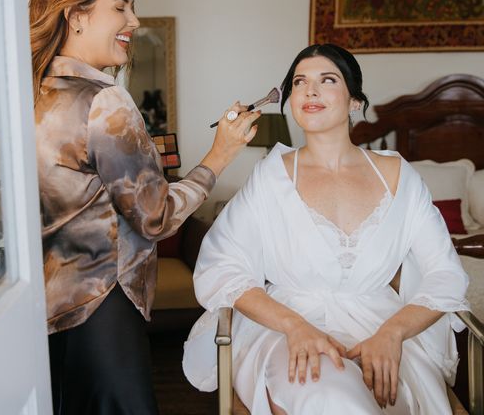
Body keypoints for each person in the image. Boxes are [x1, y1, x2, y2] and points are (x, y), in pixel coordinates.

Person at [29, 0, 260, 415]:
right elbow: (155, 219)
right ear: (76, 14)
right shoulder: (106, 101)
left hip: (45, 306)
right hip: (101, 305)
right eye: (121, 5)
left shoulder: (33, 93)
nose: (133, 20)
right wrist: (219, 155)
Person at [182, 44, 470, 414]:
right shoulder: (270, 177)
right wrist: (294, 326)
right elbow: (221, 266)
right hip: (289, 328)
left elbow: (445, 275)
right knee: (334, 401)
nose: (310, 91)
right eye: (299, 82)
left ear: (354, 101)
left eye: (327, 80)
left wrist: (393, 333)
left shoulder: (400, 177)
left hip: (379, 327)